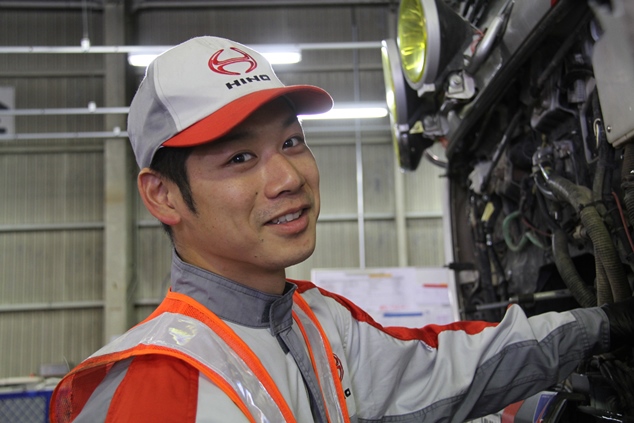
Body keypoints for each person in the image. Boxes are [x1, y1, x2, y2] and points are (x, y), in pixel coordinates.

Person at [50, 36, 634, 423]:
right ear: (163, 195)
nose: (287, 177)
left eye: (291, 142)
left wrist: (601, 326)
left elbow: (450, 368)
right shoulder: (157, 386)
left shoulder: (316, 322)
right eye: (239, 159)